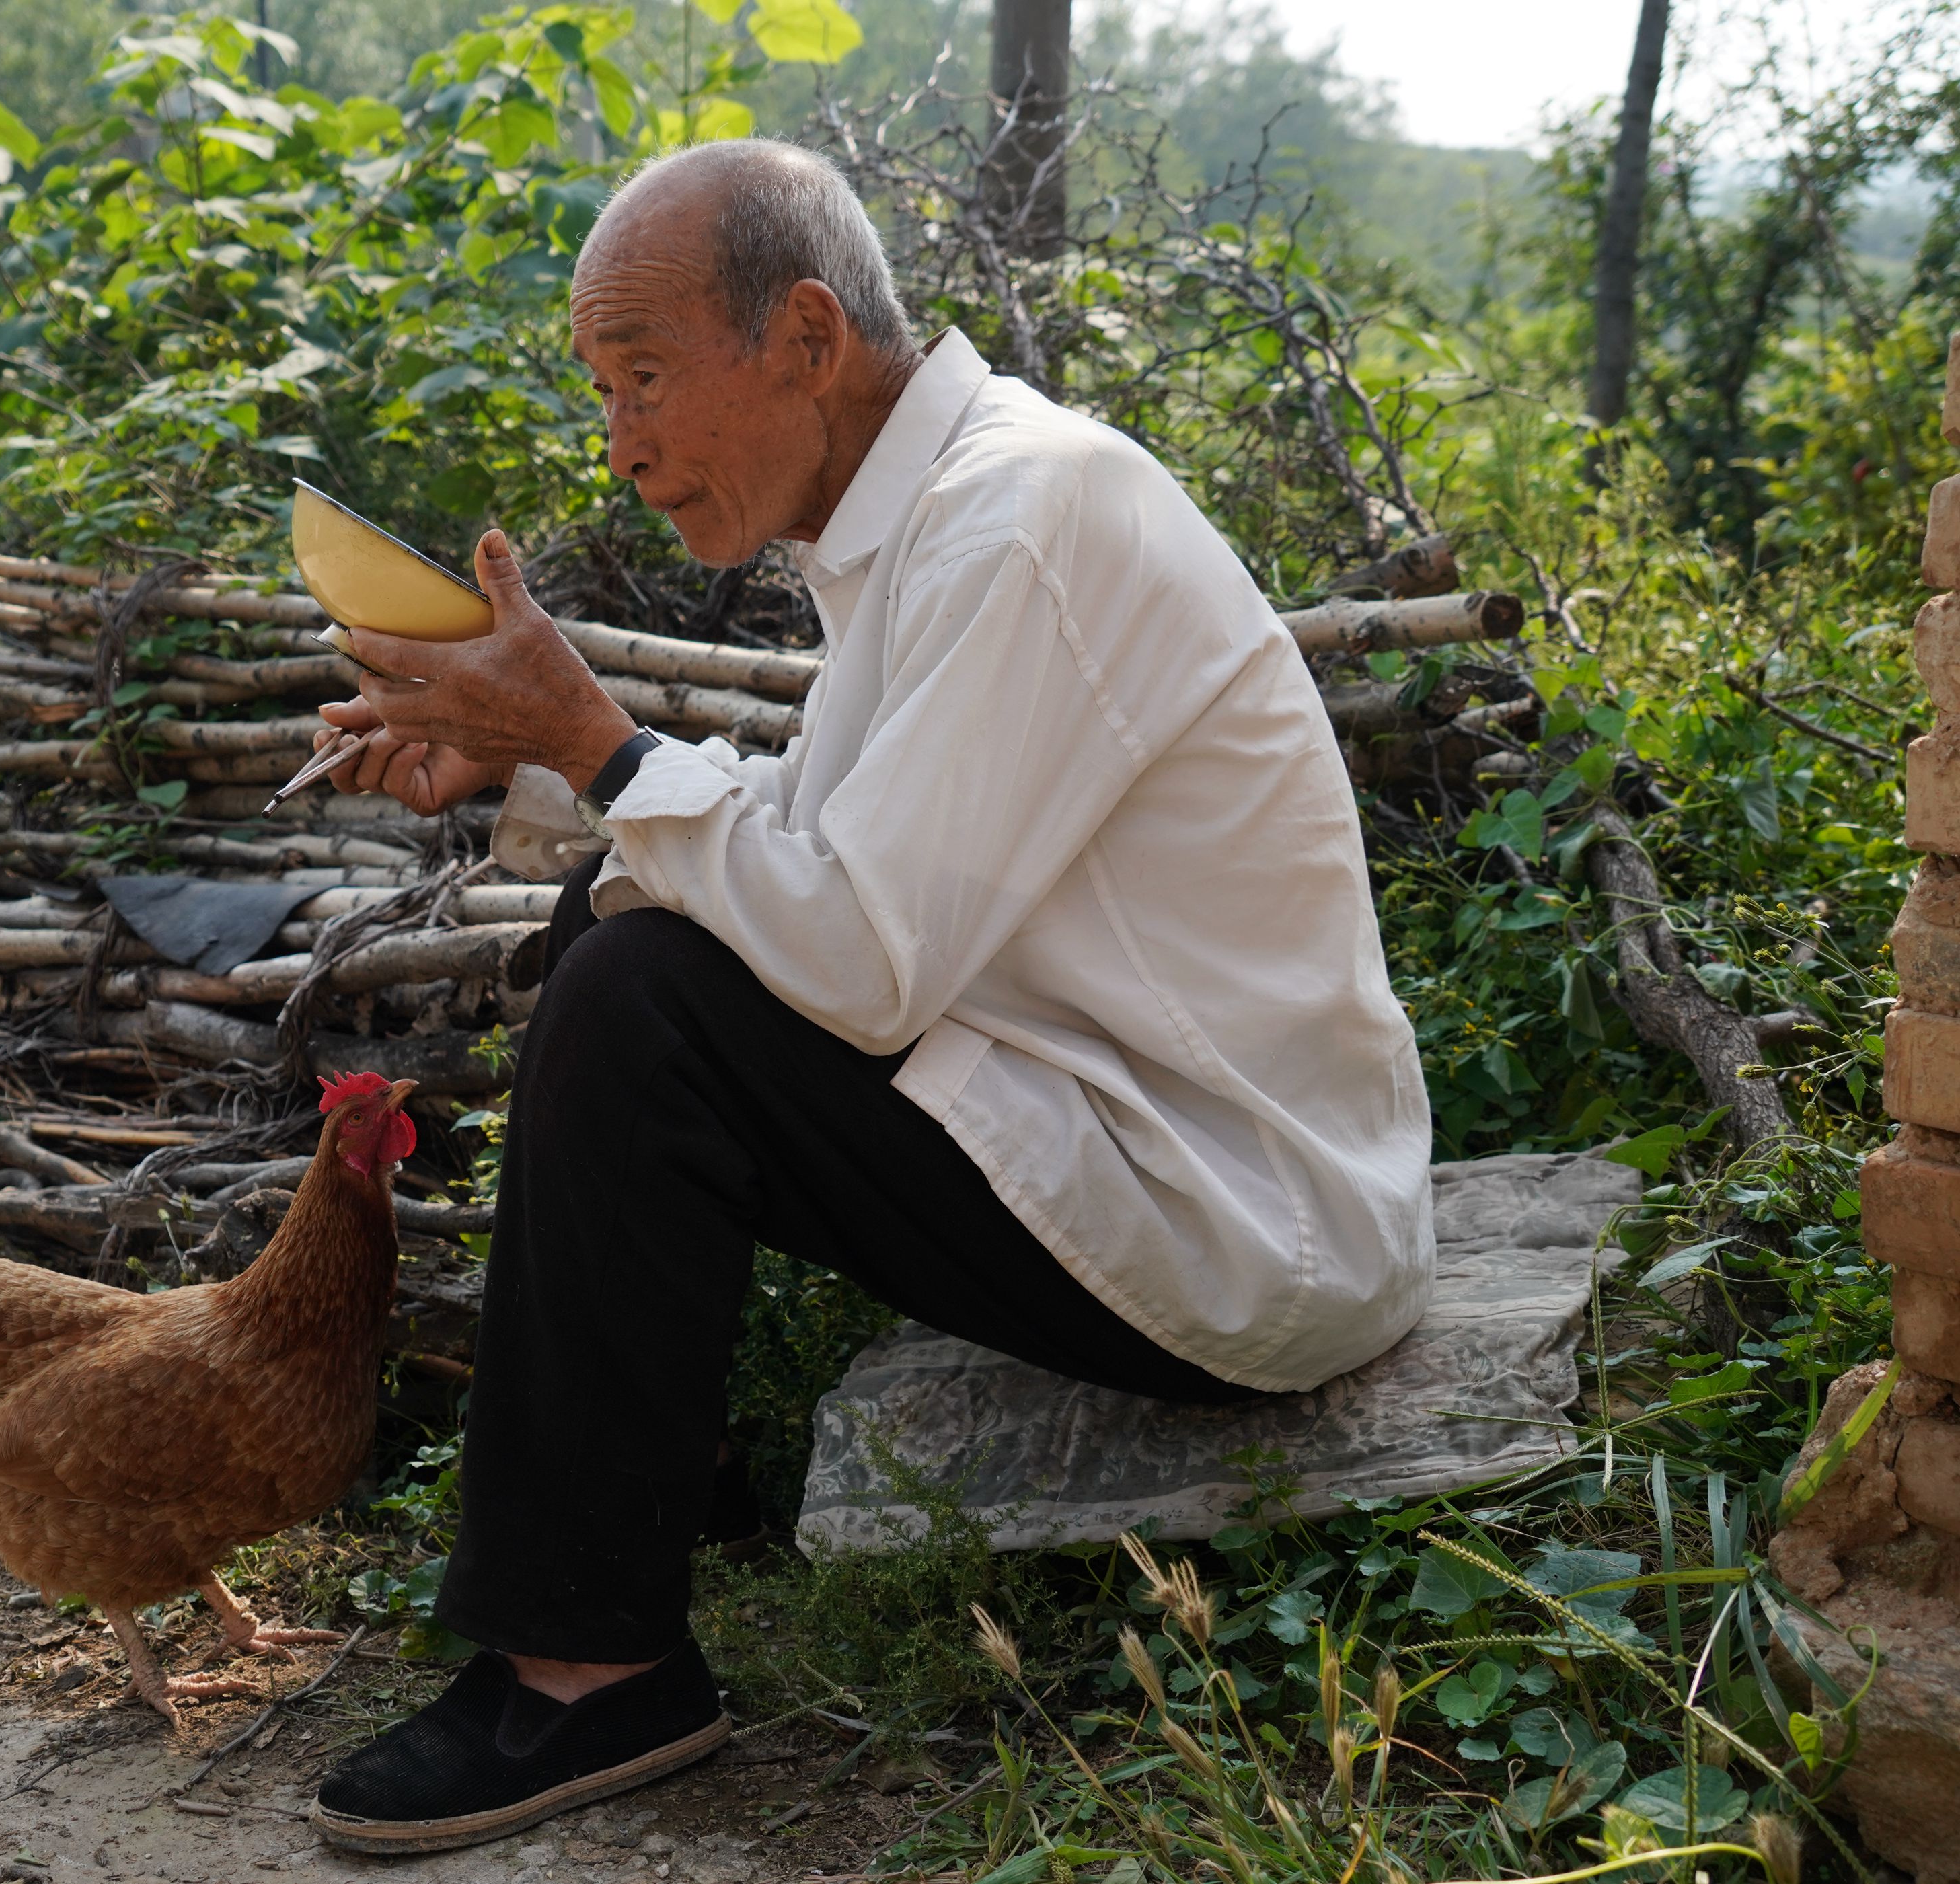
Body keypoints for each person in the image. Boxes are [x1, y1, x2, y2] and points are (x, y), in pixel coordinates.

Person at [300, 137, 1435, 1856]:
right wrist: (533, 771)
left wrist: (596, 741)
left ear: (809, 338)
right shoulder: (941, 518)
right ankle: (650, 1515)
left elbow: (859, 958)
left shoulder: (1025, 519)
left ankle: (593, 1667)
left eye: (650, 378)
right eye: (606, 393)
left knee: (641, 998)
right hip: (1100, 1116)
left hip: (1234, 1214)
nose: (625, 449)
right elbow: (816, 855)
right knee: (636, 935)